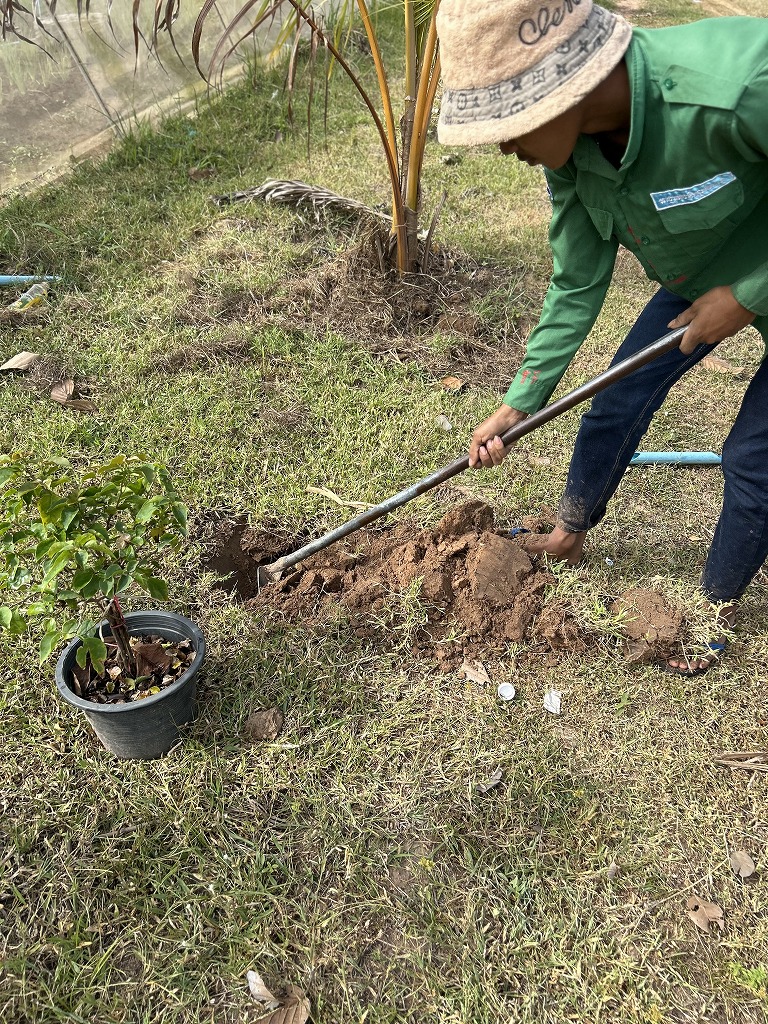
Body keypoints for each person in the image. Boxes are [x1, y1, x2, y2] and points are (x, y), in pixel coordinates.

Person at [435, 0, 768, 675]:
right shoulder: (574, 153)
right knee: (615, 397)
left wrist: (747, 295)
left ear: (568, 90)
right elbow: (577, 281)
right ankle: (568, 534)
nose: (506, 147)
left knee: (752, 460)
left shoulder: (739, 88)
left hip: (746, 274)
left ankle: (712, 611)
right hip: (705, 266)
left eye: (509, 125)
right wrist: (520, 400)